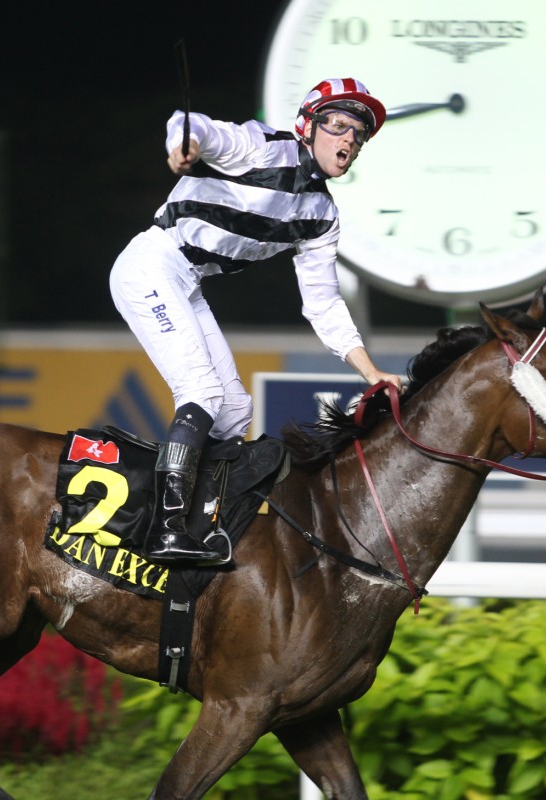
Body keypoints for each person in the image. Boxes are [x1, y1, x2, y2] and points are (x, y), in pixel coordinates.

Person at [110, 77, 405, 566]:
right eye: (337, 125)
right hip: (150, 265)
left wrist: (370, 372)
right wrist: (183, 146)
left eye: (359, 132)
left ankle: (204, 523)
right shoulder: (261, 147)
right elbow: (195, 126)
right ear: (306, 127)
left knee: (233, 411)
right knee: (202, 393)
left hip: (186, 281)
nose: (349, 138)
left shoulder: (322, 217)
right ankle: (163, 528)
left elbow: (323, 304)